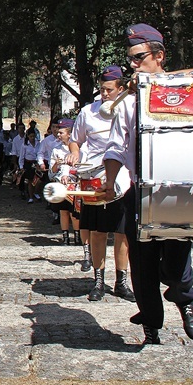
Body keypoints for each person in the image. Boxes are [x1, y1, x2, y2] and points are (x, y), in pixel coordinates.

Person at [103, 23, 193, 345]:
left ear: (159, 55)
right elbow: (115, 146)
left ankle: (185, 301)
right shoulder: (128, 101)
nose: (133, 65)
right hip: (139, 189)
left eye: (139, 57)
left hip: (181, 190)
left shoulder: (187, 88)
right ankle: (151, 322)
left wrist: (156, 81)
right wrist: (111, 181)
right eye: (130, 59)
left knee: (177, 251)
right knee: (142, 266)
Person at [70, 65, 134, 301]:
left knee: (122, 233)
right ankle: (98, 281)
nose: (104, 94)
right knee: (97, 232)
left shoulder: (131, 108)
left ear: (120, 88)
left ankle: (121, 282)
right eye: (101, 89)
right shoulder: (88, 112)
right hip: (94, 178)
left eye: (109, 90)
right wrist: (75, 154)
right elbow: (75, 141)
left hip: (123, 178)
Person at [49, 121, 81, 245]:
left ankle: (77, 236)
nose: (58, 135)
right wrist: (56, 164)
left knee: (75, 212)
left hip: (75, 185)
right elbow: (51, 172)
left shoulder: (79, 149)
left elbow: (82, 167)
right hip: (61, 185)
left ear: (69, 134)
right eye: (58, 132)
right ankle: (65, 237)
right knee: (63, 211)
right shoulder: (56, 149)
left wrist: (70, 175)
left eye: (61, 132)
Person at [18, 130, 41, 203]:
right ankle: (31, 197)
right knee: (30, 180)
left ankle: (36, 192)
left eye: (33, 136)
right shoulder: (24, 145)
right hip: (28, 163)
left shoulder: (38, 143)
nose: (32, 138)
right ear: (28, 136)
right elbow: (21, 157)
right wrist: (21, 167)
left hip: (36, 163)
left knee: (39, 180)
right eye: (31, 136)